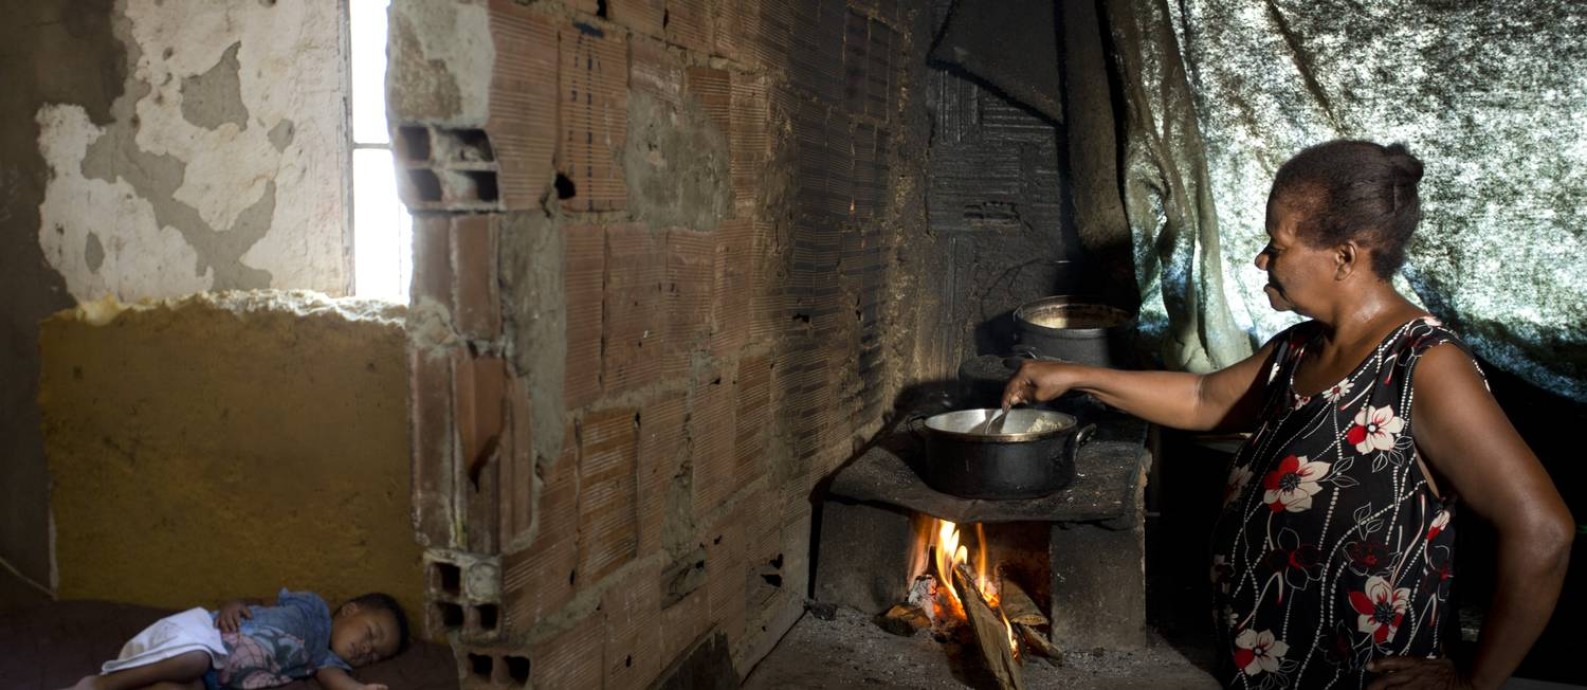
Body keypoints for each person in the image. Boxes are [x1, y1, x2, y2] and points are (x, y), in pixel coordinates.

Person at [1002, 140, 1573, 690]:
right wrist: (1074, 373)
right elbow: (1204, 400)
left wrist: (1475, 679)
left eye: (1278, 245)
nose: (1261, 259)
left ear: (1344, 256)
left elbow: (1543, 531)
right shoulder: (1300, 348)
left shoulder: (1422, 363)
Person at [68, 589, 409, 690]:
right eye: (371, 634)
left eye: (375, 655)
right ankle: (99, 685)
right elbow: (260, 601)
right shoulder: (312, 608)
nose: (367, 649)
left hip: (210, 680)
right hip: (202, 634)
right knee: (195, 659)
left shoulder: (326, 660)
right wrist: (232, 604)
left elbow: (336, 680)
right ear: (350, 610)